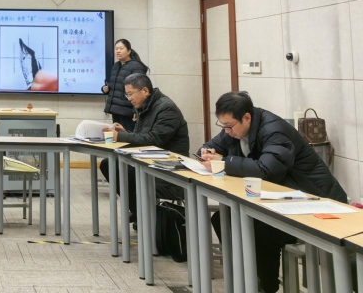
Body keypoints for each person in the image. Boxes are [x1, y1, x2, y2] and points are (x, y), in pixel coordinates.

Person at [198, 91, 347, 293]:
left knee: (259, 227)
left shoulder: (275, 131)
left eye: (229, 126)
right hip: (283, 200)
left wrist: (224, 162)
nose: (226, 132)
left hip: (314, 203)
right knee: (223, 218)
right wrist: (206, 152)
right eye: (222, 126)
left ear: (247, 117)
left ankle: (265, 286)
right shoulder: (234, 129)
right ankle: (246, 279)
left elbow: (266, 170)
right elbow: (211, 145)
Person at [98, 73, 189, 222]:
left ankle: (146, 216)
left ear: (145, 91)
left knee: (121, 170)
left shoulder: (167, 109)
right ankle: (141, 212)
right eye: (127, 95)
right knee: (109, 164)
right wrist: (126, 133)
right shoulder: (144, 106)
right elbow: (142, 136)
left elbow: (154, 140)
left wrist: (119, 136)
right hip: (148, 162)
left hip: (167, 169)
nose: (129, 99)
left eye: (130, 94)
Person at [102, 39, 148, 132]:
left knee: (128, 135)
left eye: (121, 48)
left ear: (129, 51)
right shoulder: (116, 66)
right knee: (117, 135)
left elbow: (140, 90)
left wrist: (136, 110)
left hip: (128, 111)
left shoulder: (136, 66)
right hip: (116, 109)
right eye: (116, 49)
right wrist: (105, 89)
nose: (118, 51)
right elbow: (115, 86)